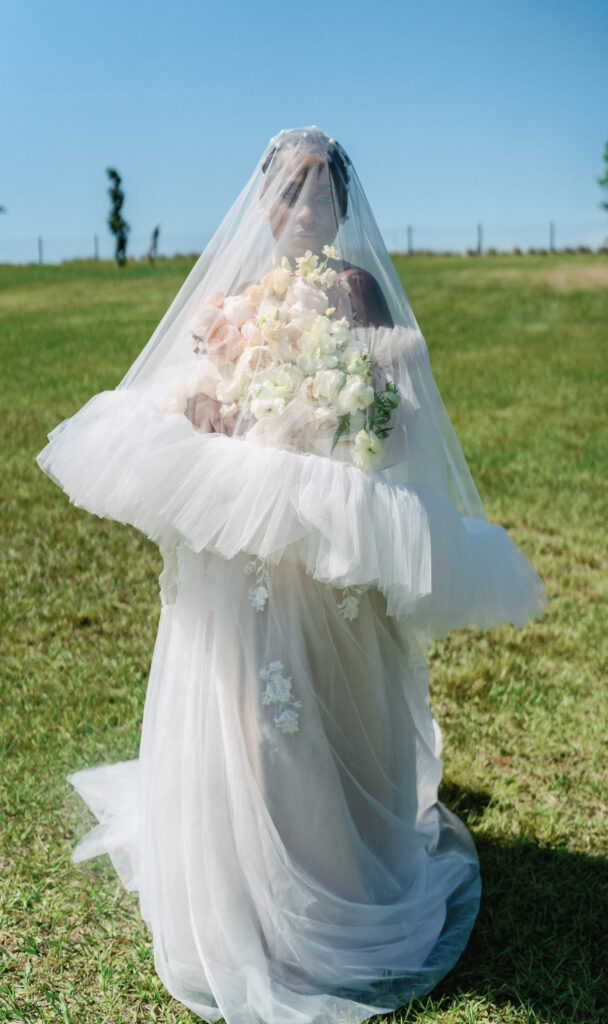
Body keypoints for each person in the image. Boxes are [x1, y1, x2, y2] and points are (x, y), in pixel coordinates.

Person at [36, 126, 547, 1024]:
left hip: (330, 525)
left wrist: (348, 407)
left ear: (342, 206)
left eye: (320, 193)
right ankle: (252, 883)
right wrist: (213, 403)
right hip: (258, 525)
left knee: (335, 696)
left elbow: (399, 422)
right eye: (289, 192)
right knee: (259, 701)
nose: (305, 209)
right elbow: (203, 393)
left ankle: (337, 868)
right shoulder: (237, 294)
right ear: (265, 203)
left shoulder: (358, 287)